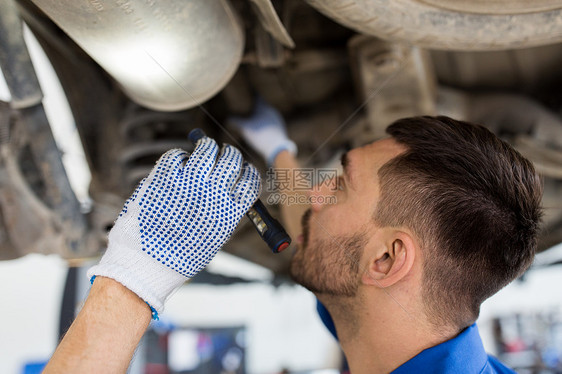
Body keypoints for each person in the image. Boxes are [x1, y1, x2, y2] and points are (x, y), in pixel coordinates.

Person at [44, 100, 542, 373]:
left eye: (339, 183)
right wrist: (280, 153)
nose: (318, 187)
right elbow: (324, 239)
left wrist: (132, 281)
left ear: (388, 261)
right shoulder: (385, 316)